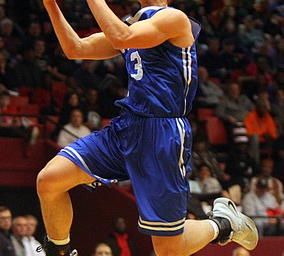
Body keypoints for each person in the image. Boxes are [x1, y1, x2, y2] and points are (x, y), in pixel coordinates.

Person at [36, 0, 258, 255]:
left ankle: (223, 224)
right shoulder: (133, 22)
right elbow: (75, 48)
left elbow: (121, 37)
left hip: (163, 133)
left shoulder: (174, 18)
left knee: (168, 250)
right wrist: (51, 4)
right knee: (49, 180)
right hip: (128, 126)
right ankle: (58, 252)